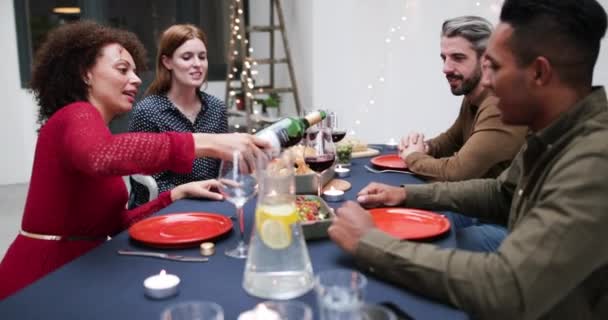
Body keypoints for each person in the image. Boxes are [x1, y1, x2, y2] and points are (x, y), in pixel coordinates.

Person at [329, 0, 608, 318]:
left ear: (539, 73)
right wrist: (407, 195)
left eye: (497, 67)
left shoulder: (595, 161)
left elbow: (507, 286)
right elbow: (500, 193)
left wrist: (369, 243)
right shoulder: (550, 131)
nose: (486, 82)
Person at [0, 21, 269, 299]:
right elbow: (103, 156)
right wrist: (208, 143)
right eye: (122, 69)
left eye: (134, 70)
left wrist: (175, 194)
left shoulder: (95, 131)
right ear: (86, 74)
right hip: (42, 280)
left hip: (83, 272)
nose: (137, 79)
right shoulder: (75, 114)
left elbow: (115, 226)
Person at [399, 16, 527, 181]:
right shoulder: (473, 94)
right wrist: (426, 147)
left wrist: (413, 156)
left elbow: (456, 172)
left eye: (458, 58)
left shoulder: (500, 104)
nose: (446, 68)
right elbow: (452, 140)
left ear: (486, 60)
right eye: (444, 58)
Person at [128, 24, 229, 208]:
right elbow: (146, 185)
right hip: (166, 208)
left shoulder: (217, 108)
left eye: (202, 57)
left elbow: (224, 170)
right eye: (187, 57)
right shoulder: (149, 111)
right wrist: (188, 193)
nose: (197, 64)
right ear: (167, 62)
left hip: (212, 203)